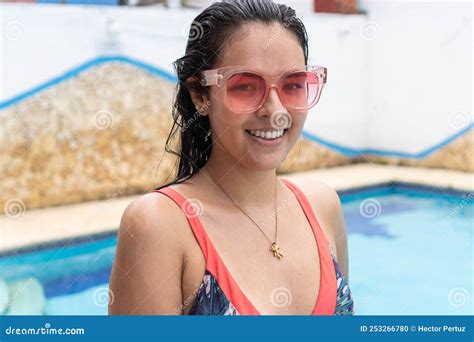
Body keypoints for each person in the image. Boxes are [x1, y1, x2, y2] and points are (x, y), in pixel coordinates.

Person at [109, 0, 354, 315]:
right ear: (201, 95)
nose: (276, 112)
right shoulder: (159, 226)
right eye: (246, 87)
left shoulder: (323, 207)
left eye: (293, 85)